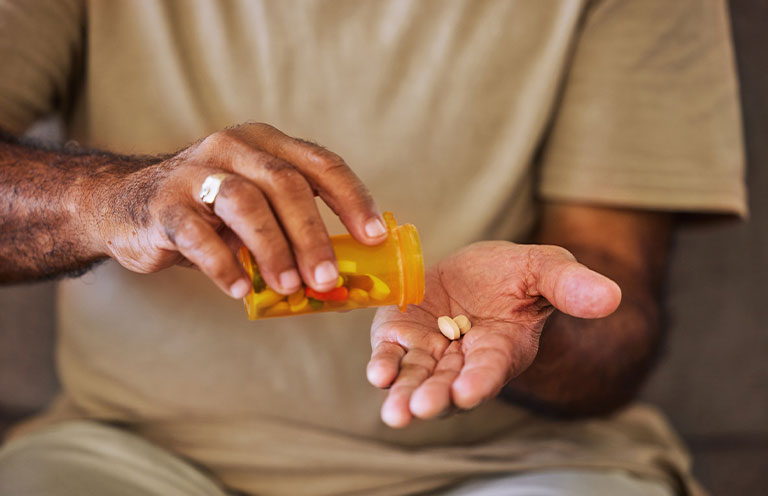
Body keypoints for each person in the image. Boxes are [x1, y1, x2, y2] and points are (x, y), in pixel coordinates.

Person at [0, 1, 745, 495]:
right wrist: (111, 201)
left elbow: (614, 319)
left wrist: (531, 319)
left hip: (510, 467)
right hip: (130, 453)